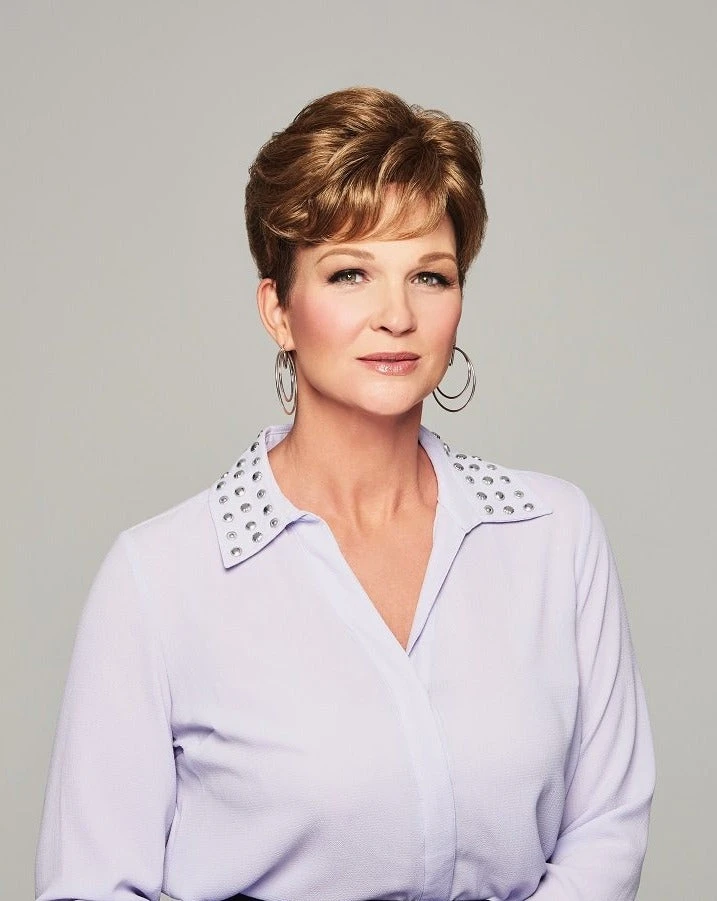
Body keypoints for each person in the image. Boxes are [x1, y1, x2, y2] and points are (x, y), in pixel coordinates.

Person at [35, 86, 655, 901]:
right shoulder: (162, 577)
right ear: (278, 309)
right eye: (350, 273)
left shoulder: (552, 535)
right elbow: (91, 886)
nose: (395, 315)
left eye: (429, 276)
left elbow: (606, 826)